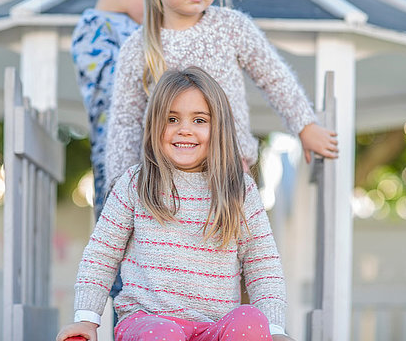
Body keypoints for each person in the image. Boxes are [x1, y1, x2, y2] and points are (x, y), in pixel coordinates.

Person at [56, 67, 293, 341]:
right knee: (164, 333)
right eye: (172, 119)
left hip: (213, 329)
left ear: (219, 127)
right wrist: (87, 319)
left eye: (200, 120)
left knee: (249, 319)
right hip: (148, 324)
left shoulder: (239, 189)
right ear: (155, 125)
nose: (185, 130)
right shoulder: (135, 183)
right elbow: (101, 255)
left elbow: (262, 264)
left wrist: (275, 329)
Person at [105, 0, 338, 188]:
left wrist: (305, 125)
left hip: (228, 172)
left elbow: (274, 77)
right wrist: (120, 187)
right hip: (164, 179)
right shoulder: (137, 47)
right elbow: (125, 122)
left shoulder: (231, 27)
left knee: (231, 228)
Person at [71, 0, 146, 217]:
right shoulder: (93, 28)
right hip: (115, 164)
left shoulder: (137, 28)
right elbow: (118, 85)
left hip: (147, 162)